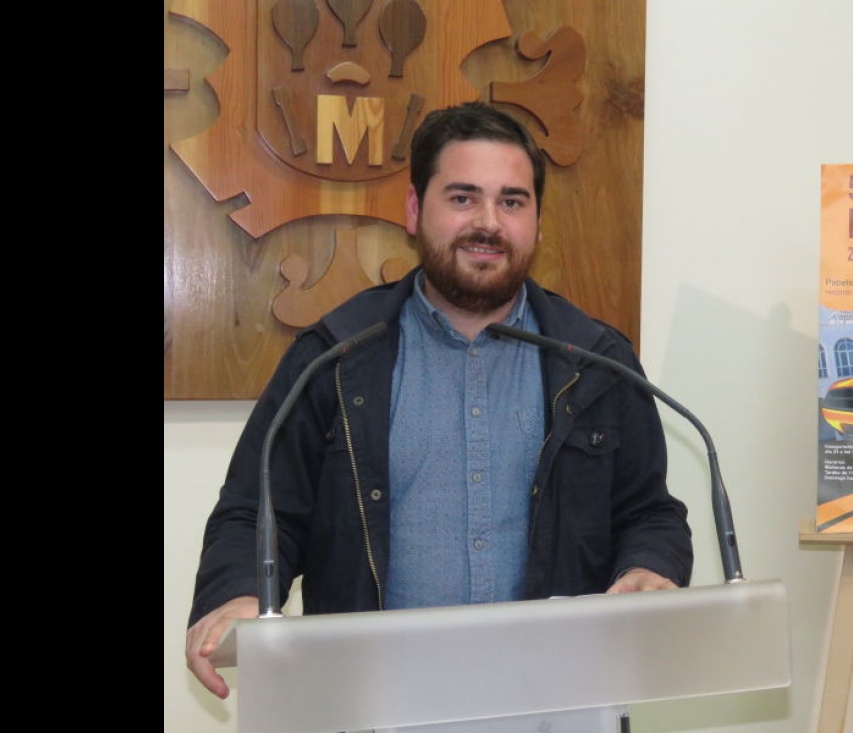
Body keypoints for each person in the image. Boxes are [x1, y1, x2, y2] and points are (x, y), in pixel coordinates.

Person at [185, 101, 694, 699]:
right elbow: (256, 509)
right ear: (413, 209)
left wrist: (647, 567)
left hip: (555, 697)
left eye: (512, 201)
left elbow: (648, 511)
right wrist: (238, 591)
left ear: (536, 219)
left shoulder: (596, 361)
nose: (488, 222)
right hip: (373, 701)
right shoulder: (336, 357)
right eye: (462, 197)